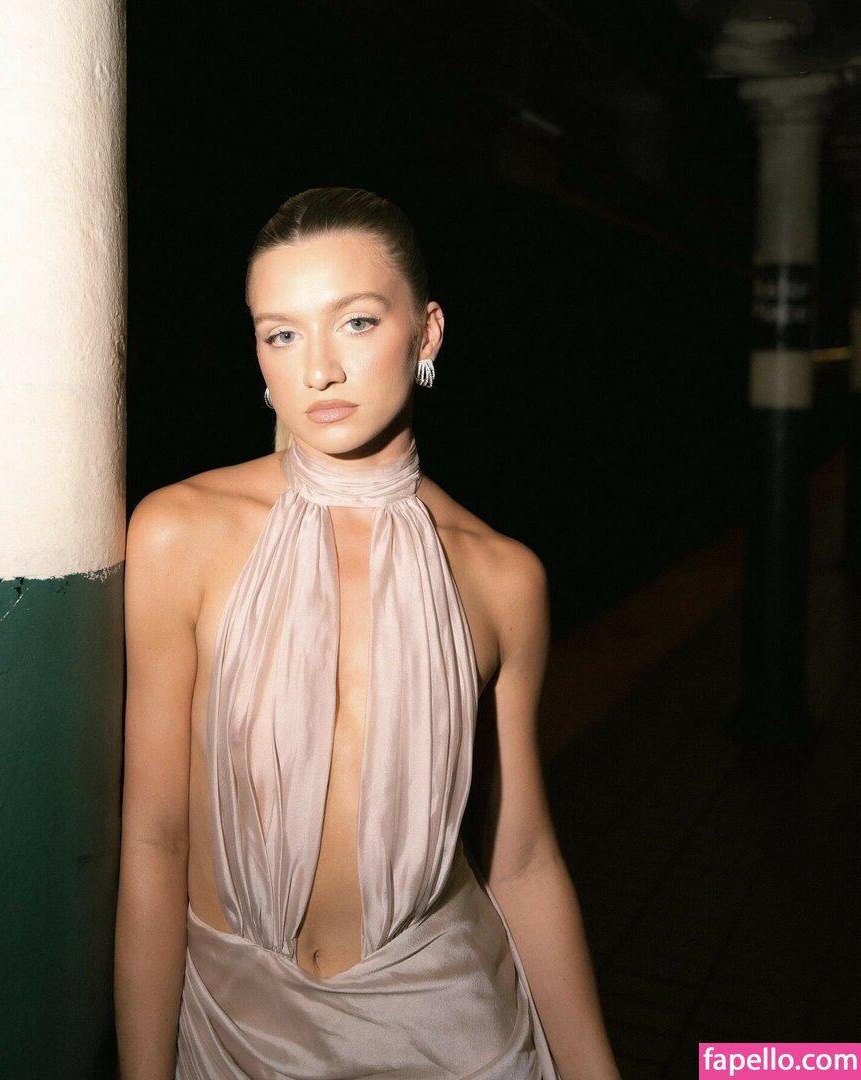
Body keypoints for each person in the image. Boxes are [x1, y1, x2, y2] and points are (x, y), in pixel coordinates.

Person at [114, 186, 620, 1079]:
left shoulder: (504, 577)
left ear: (426, 334)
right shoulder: (178, 532)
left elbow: (522, 860)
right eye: (281, 333)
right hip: (234, 1033)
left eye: (355, 322)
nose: (318, 371)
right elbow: (155, 839)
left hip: (457, 1032)